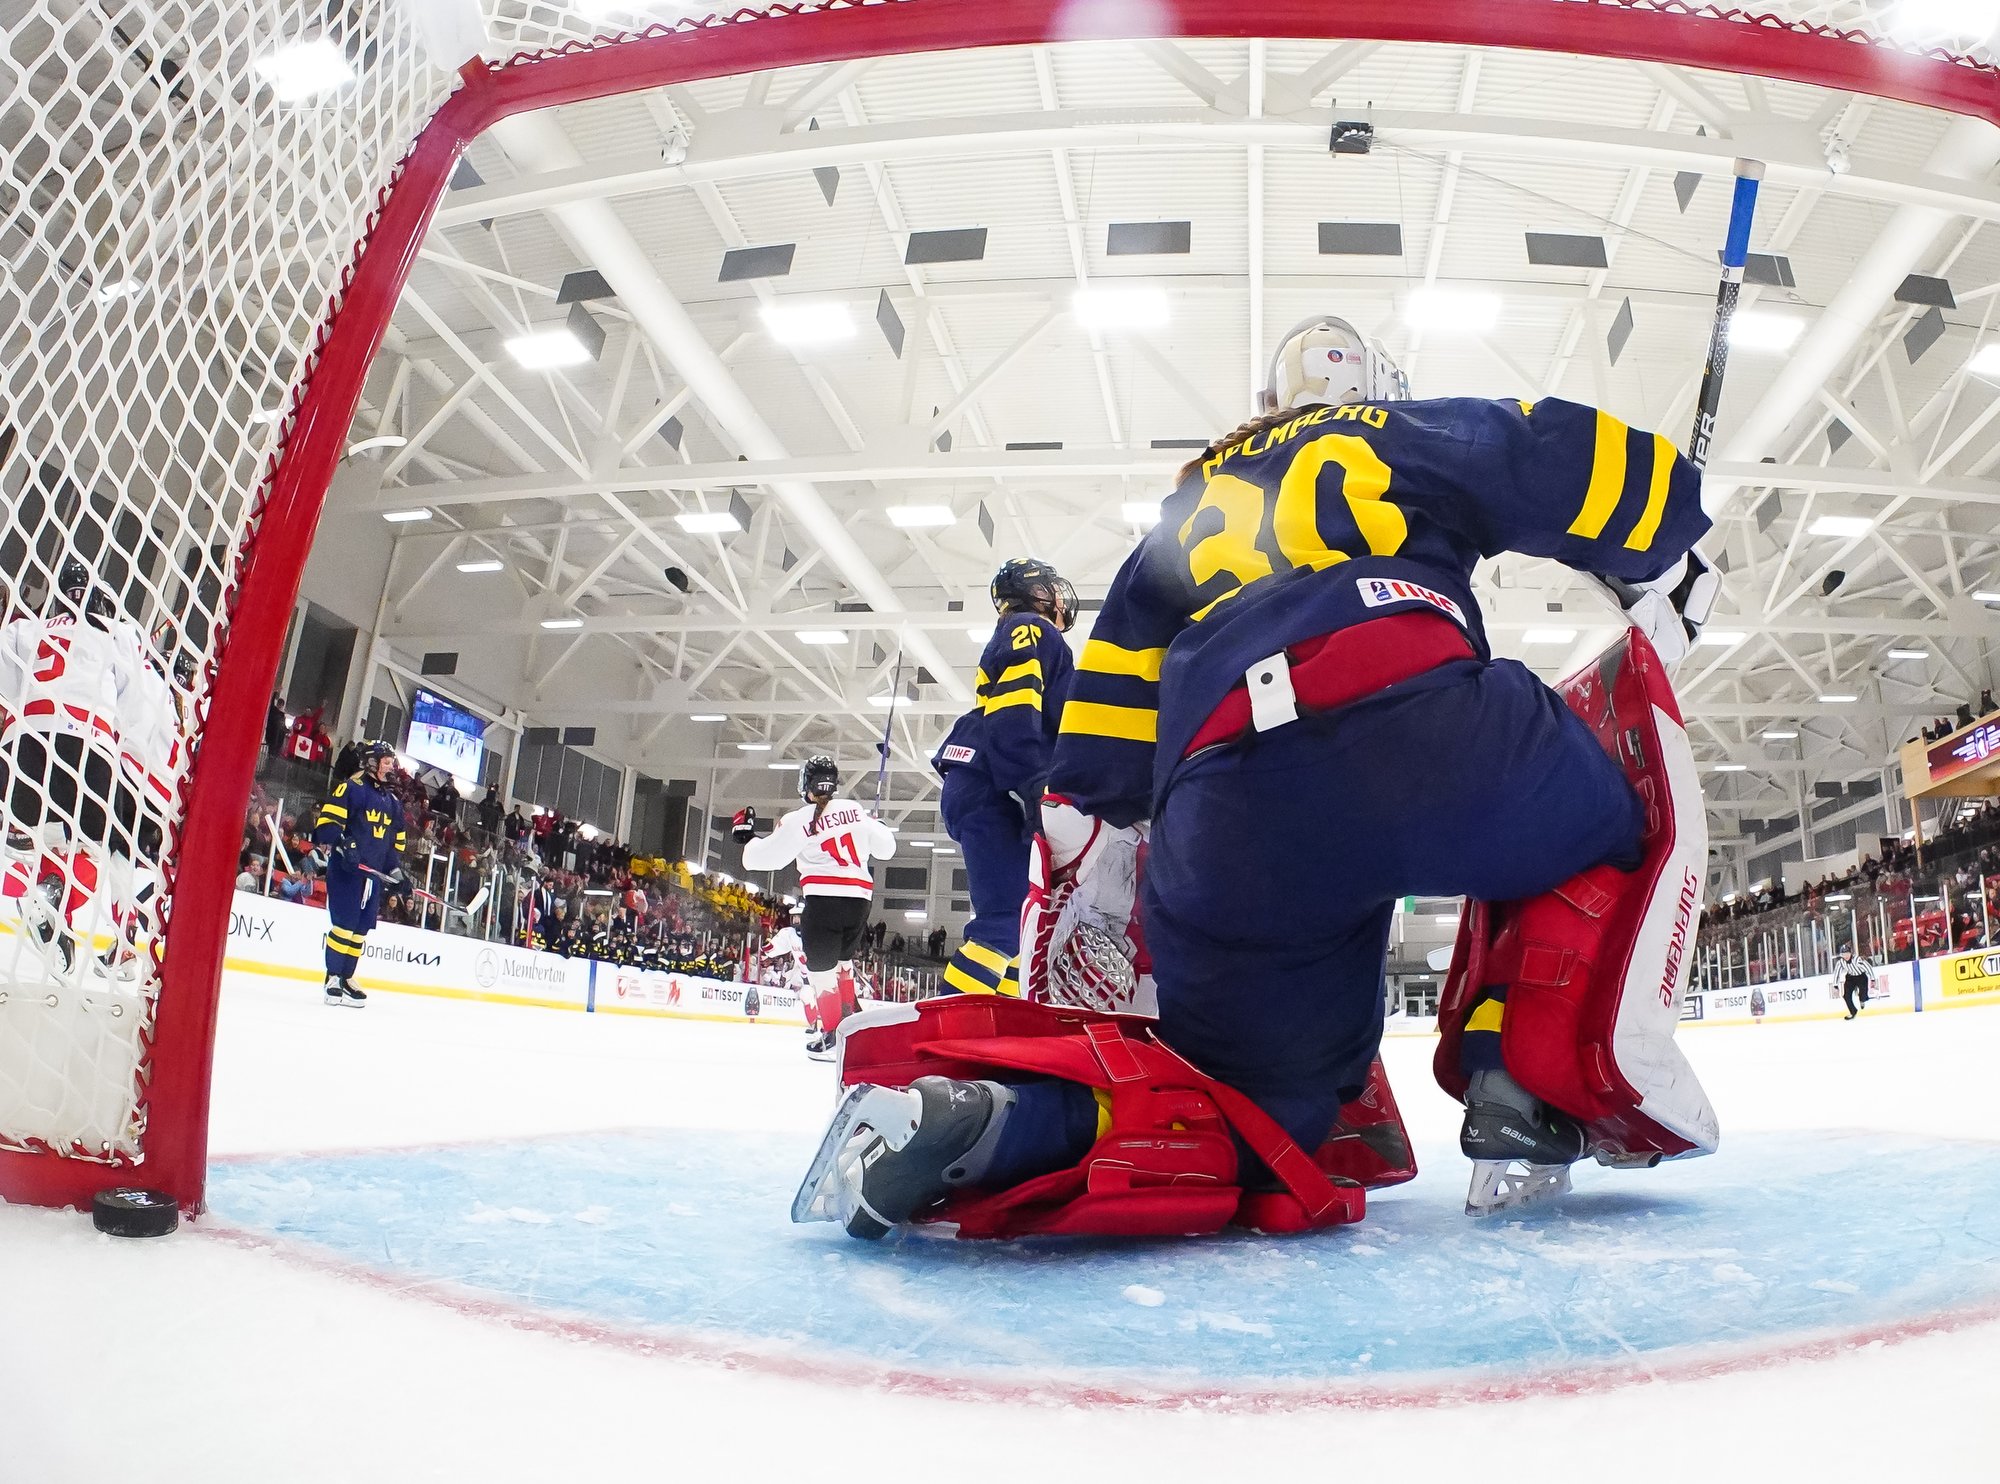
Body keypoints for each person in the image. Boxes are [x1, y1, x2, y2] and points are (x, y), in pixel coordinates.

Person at [798, 312, 1720, 1239]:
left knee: (1255, 1111)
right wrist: (1666, 544)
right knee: (1611, 822)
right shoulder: (1396, 431)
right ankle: (1518, 1083)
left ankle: (999, 1124)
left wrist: (1122, 827)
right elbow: (1560, 454)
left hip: (1225, 811)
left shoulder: (1189, 505)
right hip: (1423, 722)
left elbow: (1107, 730)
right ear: (1374, 390)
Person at [929, 558, 1077, 997]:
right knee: (1006, 921)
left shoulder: (1021, 629)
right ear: (1039, 594)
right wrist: (1032, 782)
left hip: (986, 782)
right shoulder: (1033, 628)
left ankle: (1007, 1024)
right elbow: (1016, 706)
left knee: (1022, 926)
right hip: (996, 784)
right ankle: (945, 1027)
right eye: (1053, 590)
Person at [737, 756, 896, 1055]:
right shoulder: (856, 811)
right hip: (860, 904)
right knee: (843, 963)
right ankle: (853, 1025)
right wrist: (878, 826)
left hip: (824, 901)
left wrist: (748, 839)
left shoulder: (801, 819)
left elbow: (764, 859)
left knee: (821, 972)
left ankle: (834, 1035)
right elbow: (887, 849)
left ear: (805, 784)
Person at [310, 741, 407, 1008]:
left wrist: (396, 872)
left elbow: (394, 844)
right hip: (346, 871)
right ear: (372, 762)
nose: (390, 766)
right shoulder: (351, 788)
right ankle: (333, 976)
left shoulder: (393, 802)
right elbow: (327, 825)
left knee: (360, 930)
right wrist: (345, 843)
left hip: (371, 876)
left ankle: (347, 977)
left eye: (391, 761)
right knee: (345, 924)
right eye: (386, 761)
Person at [1832, 949, 1873, 1019]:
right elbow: (1837, 972)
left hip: (1861, 976)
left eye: (1847, 953)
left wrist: (1873, 979)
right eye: (1843, 954)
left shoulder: (1857, 959)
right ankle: (1853, 1012)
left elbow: (1868, 967)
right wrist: (1835, 985)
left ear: (1851, 953)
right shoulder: (1841, 962)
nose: (1846, 956)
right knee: (1846, 996)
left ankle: (1862, 1000)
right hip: (1850, 978)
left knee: (1863, 993)